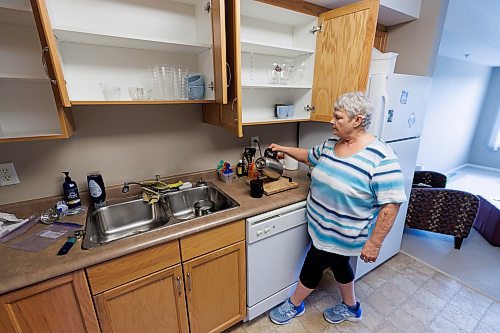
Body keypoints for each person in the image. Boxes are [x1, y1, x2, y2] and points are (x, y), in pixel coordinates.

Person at [268, 92, 406, 326]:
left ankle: (295, 303)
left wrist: (374, 243)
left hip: (344, 231)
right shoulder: (332, 143)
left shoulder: (382, 157)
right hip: (319, 224)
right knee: (341, 266)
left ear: (357, 120)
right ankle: (352, 307)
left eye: (338, 117)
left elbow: (391, 205)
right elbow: (310, 157)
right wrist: (284, 148)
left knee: (314, 264)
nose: (332, 121)